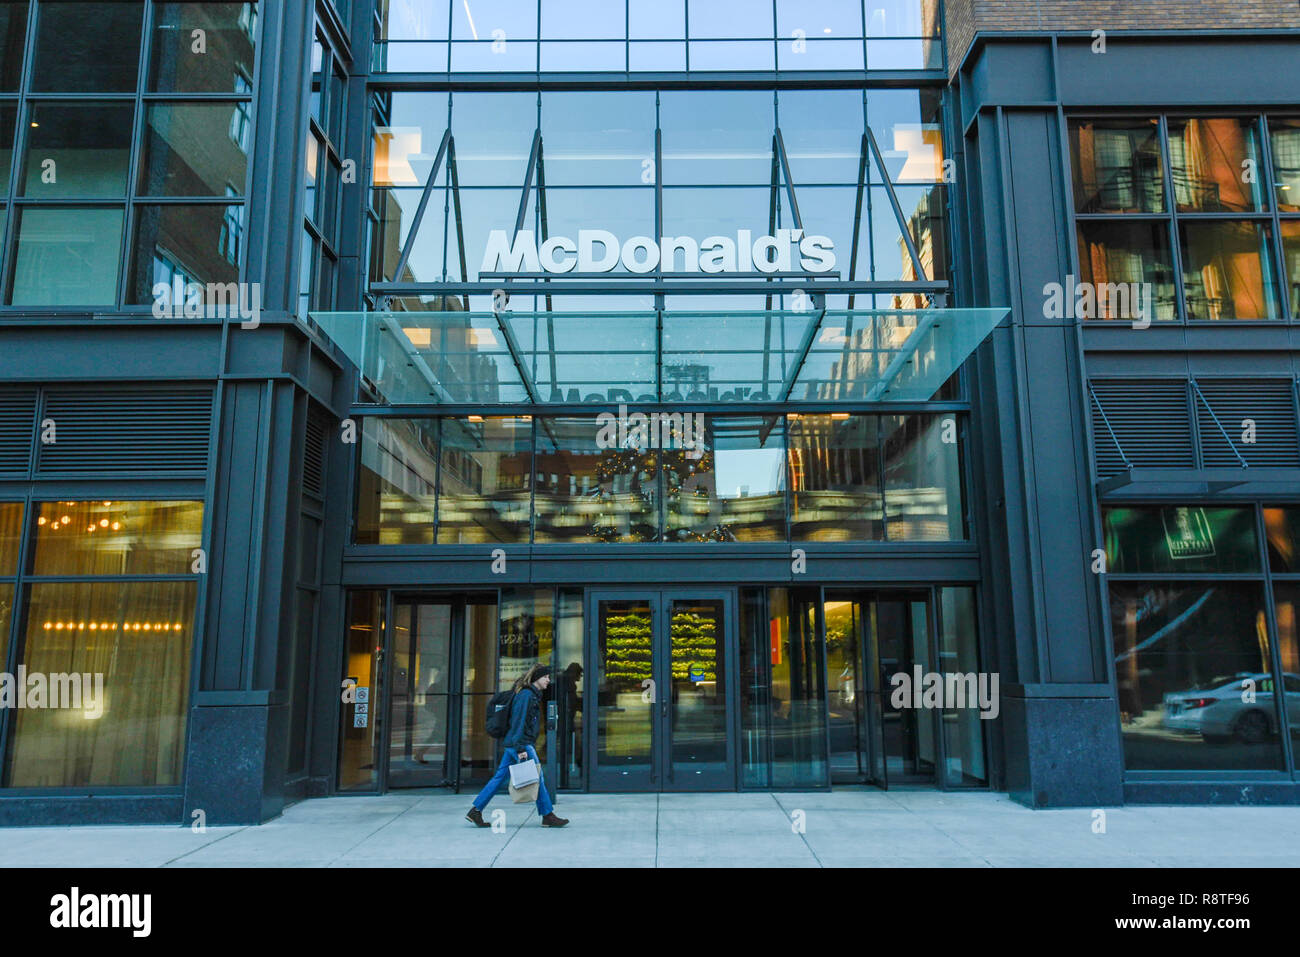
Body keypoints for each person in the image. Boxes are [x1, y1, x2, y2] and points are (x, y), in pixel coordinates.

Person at [466, 664, 570, 828]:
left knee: (500, 777)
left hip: (514, 742)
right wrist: (521, 748)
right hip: (521, 743)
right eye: (546, 677)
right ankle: (547, 815)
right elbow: (518, 722)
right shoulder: (526, 696)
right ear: (537, 678)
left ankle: (475, 810)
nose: (549, 681)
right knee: (538, 777)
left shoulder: (531, 694)